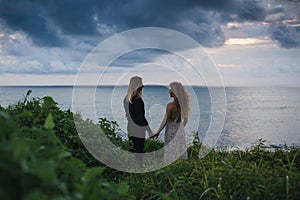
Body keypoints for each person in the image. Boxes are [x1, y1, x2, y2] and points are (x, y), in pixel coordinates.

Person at [151, 81, 190, 162]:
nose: (169, 91)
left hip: (170, 131)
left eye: (171, 89)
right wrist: (180, 128)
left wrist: (158, 132)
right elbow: (185, 120)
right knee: (180, 150)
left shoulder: (170, 105)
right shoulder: (184, 104)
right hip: (180, 131)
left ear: (175, 92)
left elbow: (165, 120)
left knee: (170, 152)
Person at [123, 76, 154, 166]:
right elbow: (141, 118)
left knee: (132, 151)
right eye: (141, 84)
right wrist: (150, 131)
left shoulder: (126, 99)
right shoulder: (138, 100)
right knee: (139, 154)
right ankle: (138, 172)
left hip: (130, 128)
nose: (143, 86)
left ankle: (131, 173)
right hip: (139, 130)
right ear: (138, 86)